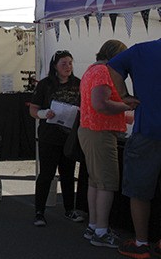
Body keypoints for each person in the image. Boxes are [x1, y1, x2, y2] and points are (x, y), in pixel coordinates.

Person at [107, 39, 161, 258]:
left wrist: (124, 96)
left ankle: (141, 243)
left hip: (147, 130)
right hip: (146, 130)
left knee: (139, 189)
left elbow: (112, 67)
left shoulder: (141, 50)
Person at [78, 40, 129, 249]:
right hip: (100, 133)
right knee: (106, 183)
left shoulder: (92, 69)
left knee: (95, 181)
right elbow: (101, 104)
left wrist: (125, 114)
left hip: (90, 130)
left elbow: (94, 104)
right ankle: (100, 231)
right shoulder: (103, 71)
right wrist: (128, 104)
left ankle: (94, 226)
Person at [30, 50, 84, 227]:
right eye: (63, 64)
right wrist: (44, 113)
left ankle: (70, 209)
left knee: (68, 175)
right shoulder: (45, 85)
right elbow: (33, 110)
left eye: (70, 63)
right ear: (55, 66)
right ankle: (39, 212)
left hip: (69, 137)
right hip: (49, 137)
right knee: (46, 174)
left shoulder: (78, 84)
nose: (68, 67)